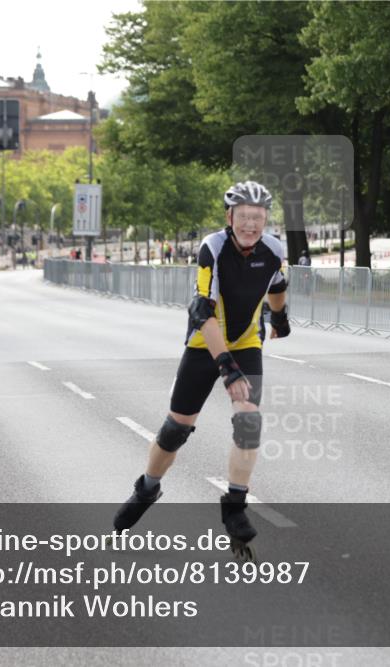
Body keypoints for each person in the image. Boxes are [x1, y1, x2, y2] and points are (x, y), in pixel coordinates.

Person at [113, 181, 290, 561]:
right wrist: (224, 365)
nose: (251, 224)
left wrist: (280, 315)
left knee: (249, 422)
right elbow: (202, 311)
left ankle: (235, 506)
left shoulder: (274, 249)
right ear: (230, 218)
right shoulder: (213, 247)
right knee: (176, 429)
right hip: (203, 344)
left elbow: (278, 283)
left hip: (245, 342)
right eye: (243, 217)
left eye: (257, 218)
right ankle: (147, 489)